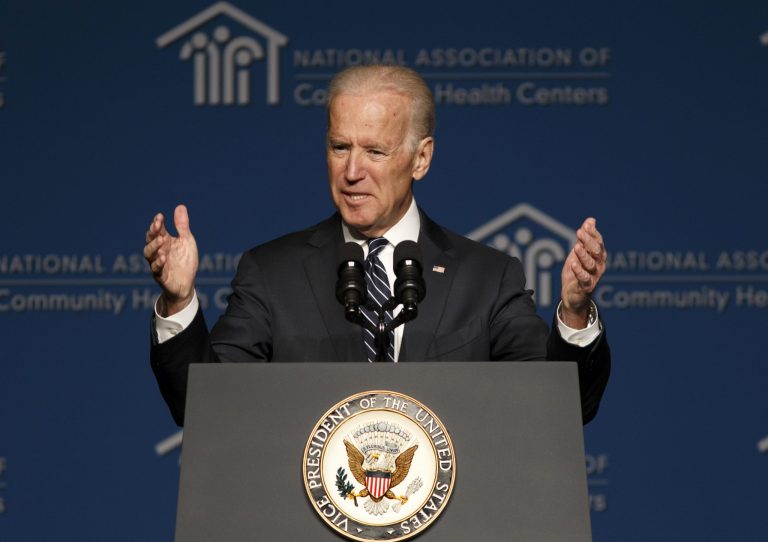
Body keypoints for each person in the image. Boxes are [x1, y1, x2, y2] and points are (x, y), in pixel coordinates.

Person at [144, 65, 610, 427]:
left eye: (375, 151)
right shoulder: (271, 273)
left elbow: (556, 411)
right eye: (340, 147)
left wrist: (572, 313)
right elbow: (205, 409)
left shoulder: (487, 278)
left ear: (421, 158)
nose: (351, 171)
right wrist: (179, 302)